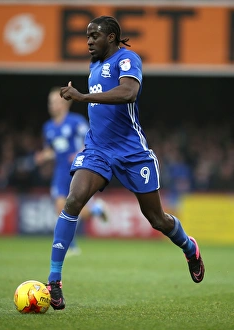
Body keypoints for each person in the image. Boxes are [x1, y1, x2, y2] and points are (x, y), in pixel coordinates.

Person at [46, 16, 205, 310]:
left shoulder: (128, 58)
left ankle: (189, 247)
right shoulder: (93, 67)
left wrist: (82, 96)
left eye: (94, 36)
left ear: (111, 37)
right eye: (87, 36)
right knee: (72, 201)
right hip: (98, 149)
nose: (89, 41)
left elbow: (129, 92)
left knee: (157, 220)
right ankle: (54, 280)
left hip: (133, 153)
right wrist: (85, 97)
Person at [35, 87, 107, 256]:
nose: (52, 106)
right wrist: (43, 156)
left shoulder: (76, 121)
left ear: (65, 103)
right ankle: (94, 213)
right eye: (50, 102)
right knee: (60, 208)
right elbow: (52, 150)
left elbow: (92, 139)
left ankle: (93, 213)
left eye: (56, 102)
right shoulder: (48, 128)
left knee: (72, 206)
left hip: (78, 168)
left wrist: (79, 152)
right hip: (60, 171)